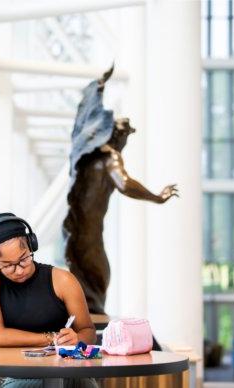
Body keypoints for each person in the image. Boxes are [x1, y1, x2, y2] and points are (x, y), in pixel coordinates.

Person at [63, 67, 179, 314]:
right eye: (126, 135)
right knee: (99, 276)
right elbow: (125, 183)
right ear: (118, 136)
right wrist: (157, 197)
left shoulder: (87, 156)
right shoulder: (110, 158)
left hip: (78, 230)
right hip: (89, 234)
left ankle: (87, 313)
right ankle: (90, 317)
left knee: (92, 278)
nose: (126, 141)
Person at [0, 212, 98, 387]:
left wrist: (77, 340)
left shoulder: (63, 280)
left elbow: (88, 331)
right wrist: (52, 338)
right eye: (8, 266)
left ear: (32, 245)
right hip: (19, 376)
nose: (18, 270)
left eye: (24, 258)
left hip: (69, 370)